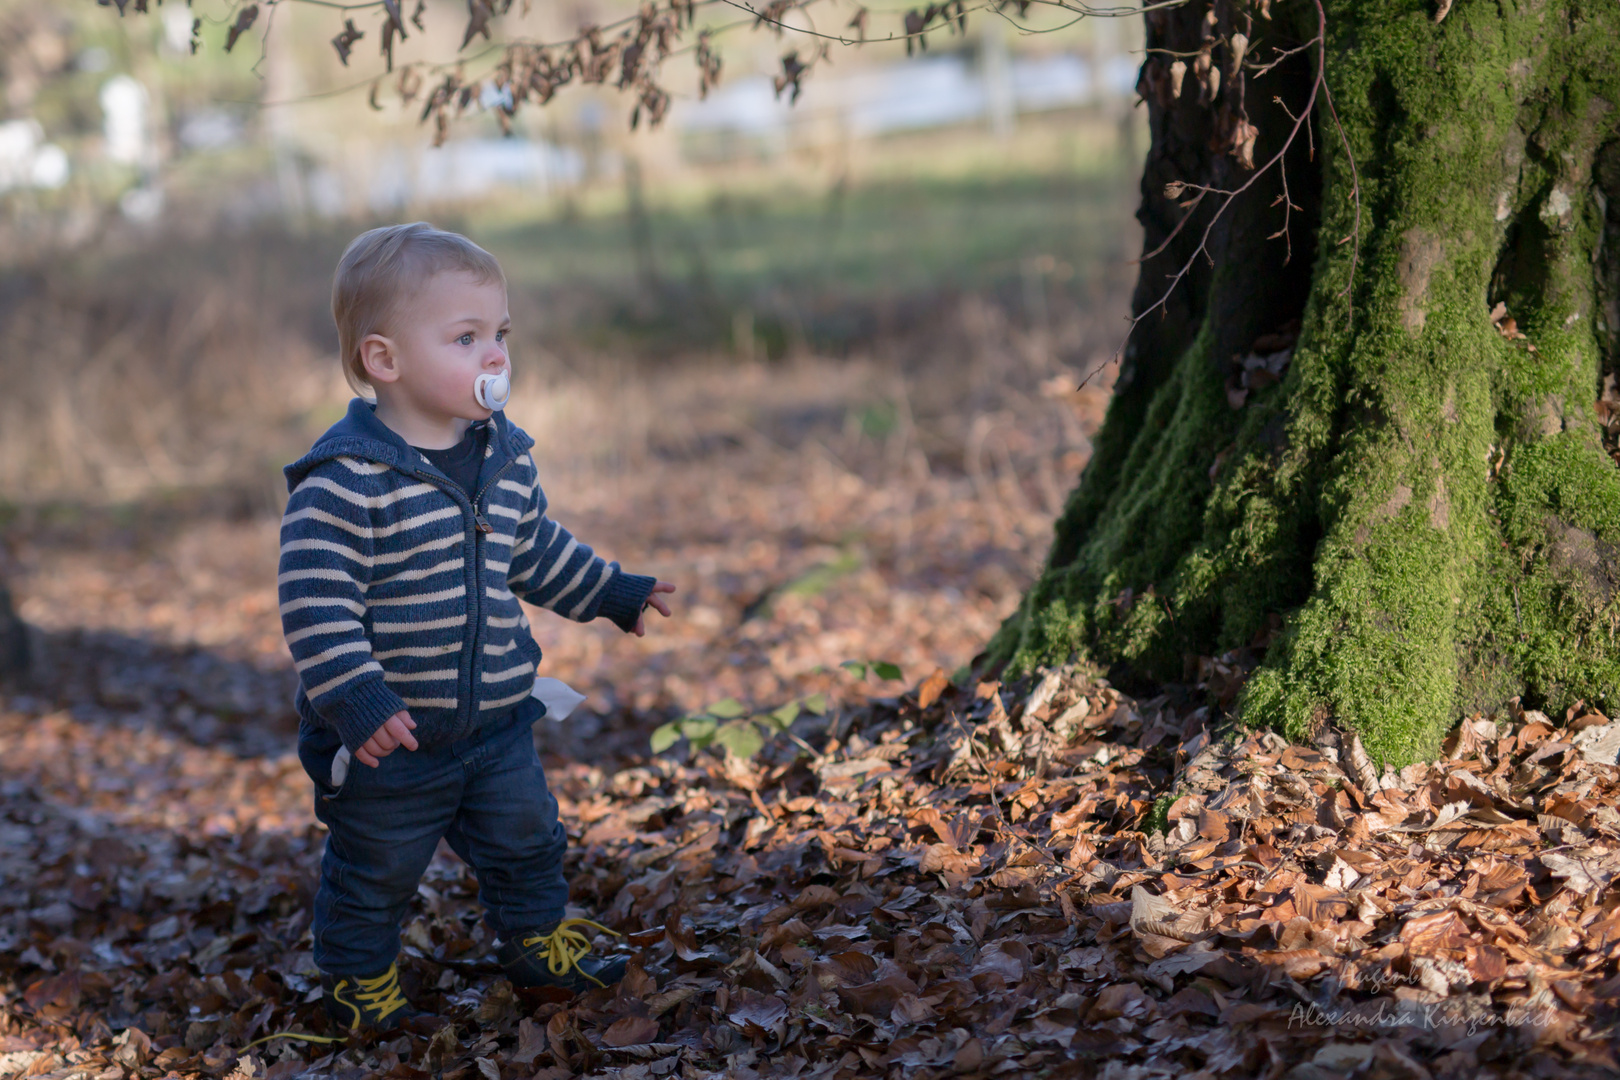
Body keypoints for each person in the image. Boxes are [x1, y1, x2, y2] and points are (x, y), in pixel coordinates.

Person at [277, 222, 675, 1034]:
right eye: (466, 338)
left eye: (500, 335)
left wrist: (613, 592)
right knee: (375, 871)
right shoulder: (347, 481)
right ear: (384, 361)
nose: (495, 356)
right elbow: (316, 605)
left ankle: (536, 945)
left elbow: (533, 549)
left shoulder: (502, 457)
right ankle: (359, 982)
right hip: (391, 742)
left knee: (529, 841)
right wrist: (358, 700)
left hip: (497, 726)